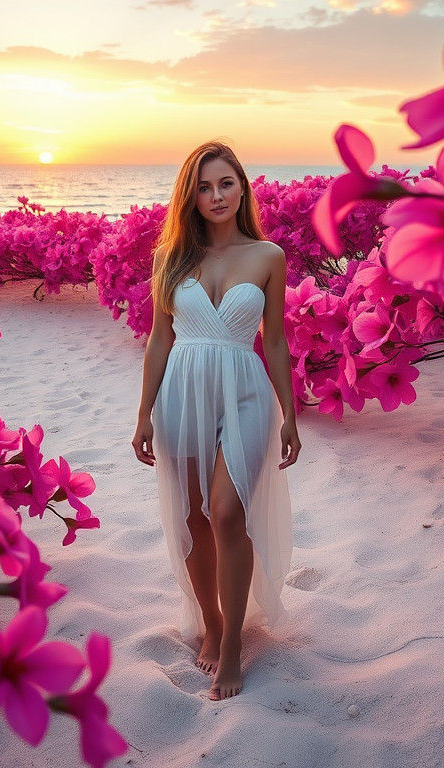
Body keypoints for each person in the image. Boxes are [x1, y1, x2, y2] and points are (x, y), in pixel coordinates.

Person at [132, 141, 300, 701]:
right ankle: (211, 622)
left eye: (226, 183)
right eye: (203, 187)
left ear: (242, 187)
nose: (216, 195)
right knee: (194, 518)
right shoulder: (170, 259)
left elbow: (274, 343)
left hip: (247, 392)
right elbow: (160, 340)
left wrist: (290, 415)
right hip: (182, 390)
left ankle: (232, 648)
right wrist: (143, 416)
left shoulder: (267, 255)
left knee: (228, 511)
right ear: (190, 196)